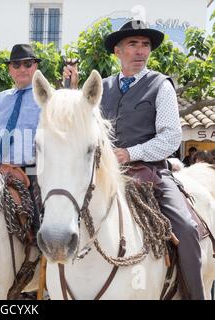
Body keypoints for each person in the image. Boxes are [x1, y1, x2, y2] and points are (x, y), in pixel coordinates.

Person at [99, 20, 204, 299]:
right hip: (106, 175)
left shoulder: (161, 85)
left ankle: (194, 295)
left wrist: (131, 153)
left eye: (145, 45)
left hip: (152, 173)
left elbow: (171, 139)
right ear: (118, 51)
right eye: (133, 44)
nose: (140, 50)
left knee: (187, 228)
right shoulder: (102, 87)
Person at [0, 44, 78, 232]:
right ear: (10, 69)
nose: (22, 69)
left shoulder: (49, 98)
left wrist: (72, 87)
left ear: (36, 67)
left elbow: (69, 117)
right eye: (16, 65)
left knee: (41, 227)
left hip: (33, 173)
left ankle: (46, 259)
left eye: (27, 64)